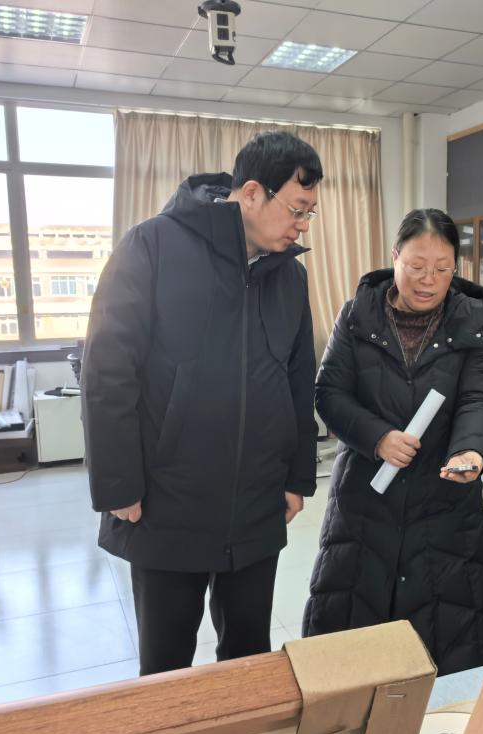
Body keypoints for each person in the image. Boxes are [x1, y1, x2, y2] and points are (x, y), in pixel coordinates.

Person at [81, 131, 322, 675]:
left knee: (247, 660)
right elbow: (107, 371)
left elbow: (296, 379)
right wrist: (118, 484)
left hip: (257, 502)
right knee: (166, 665)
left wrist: (297, 476)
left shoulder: (289, 275)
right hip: (168, 502)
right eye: (297, 209)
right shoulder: (153, 246)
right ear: (252, 193)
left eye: (310, 213)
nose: (303, 225)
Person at [303, 209, 483, 676]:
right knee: (355, 641)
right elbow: (329, 393)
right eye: (416, 266)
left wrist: (469, 449)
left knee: (446, 641)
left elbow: (478, 395)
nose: (429, 280)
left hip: (443, 501)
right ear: (395, 257)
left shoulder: (471, 322)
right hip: (366, 499)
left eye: (442, 268)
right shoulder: (357, 315)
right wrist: (377, 438)